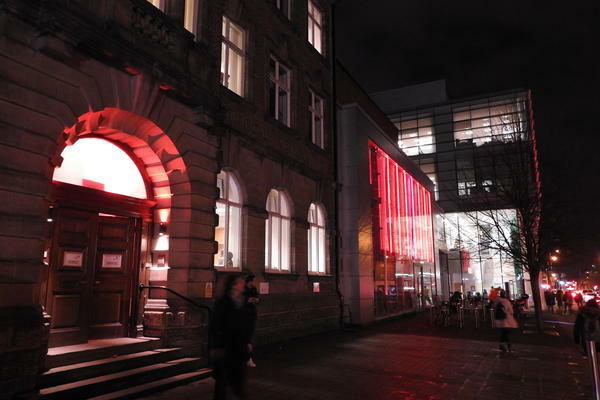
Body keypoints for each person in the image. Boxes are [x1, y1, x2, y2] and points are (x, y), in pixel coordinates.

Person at [212, 275, 250, 400]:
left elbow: (244, 325)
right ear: (233, 285)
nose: (243, 284)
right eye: (240, 282)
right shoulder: (224, 303)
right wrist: (217, 347)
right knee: (223, 383)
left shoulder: (241, 302)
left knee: (237, 381)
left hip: (238, 349)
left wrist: (247, 342)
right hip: (226, 348)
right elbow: (216, 326)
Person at [244, 274, 259, 368]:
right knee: (247, 338)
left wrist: (256, 300)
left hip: (251, 314)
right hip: (245, 315)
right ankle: (247, 358)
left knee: (249, 337)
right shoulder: (244, 290)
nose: (253, 283)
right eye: (252, 281)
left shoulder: (253, 289)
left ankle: (248, 358)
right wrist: (247, 301)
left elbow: (258, 299)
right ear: (249, 281)